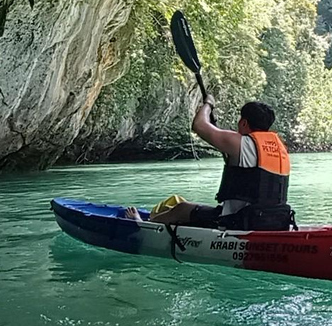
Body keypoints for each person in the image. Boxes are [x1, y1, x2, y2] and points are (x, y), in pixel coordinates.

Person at [125, 97, 293, 230]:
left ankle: (143, 224)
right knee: (191, 210)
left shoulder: (239, 142)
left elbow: (199, 125)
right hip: (275, 220)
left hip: (239, 222)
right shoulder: (280, 148)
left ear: (244, 123)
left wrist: (208, 104)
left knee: (181, 208)